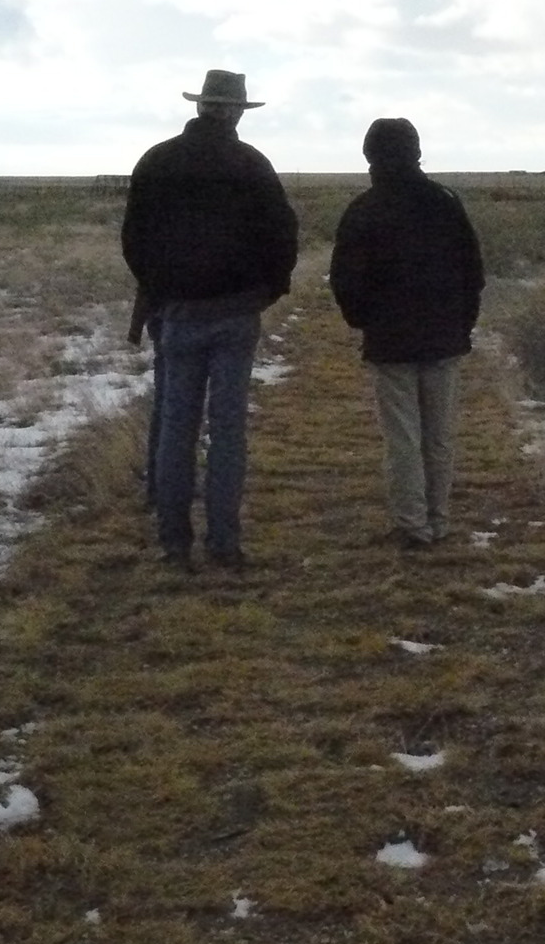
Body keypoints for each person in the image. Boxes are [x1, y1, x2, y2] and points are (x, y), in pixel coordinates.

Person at [122, 71, 298, 571]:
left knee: (176, 426)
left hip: (177, 314)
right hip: (236, 314)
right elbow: (283, 236)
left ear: (201, 106)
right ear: (237, 111)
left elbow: (134, 240)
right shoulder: (252, 164)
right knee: (227, 430)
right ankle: (223, 542)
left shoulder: (157, 161)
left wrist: (161, 290)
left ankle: (174, 543)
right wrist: (265, 292)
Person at [330, 118, 485, 549]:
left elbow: (345, 279)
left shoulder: (364, 208)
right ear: (416, 152)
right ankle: (438, 519)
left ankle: (413, 525)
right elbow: (473, 271)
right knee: (439, 436)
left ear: (369, 156)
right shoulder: (445, 202)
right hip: (444, 337)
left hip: (390, 340)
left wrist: (363, 321)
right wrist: (462, 323)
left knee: (403, 437)